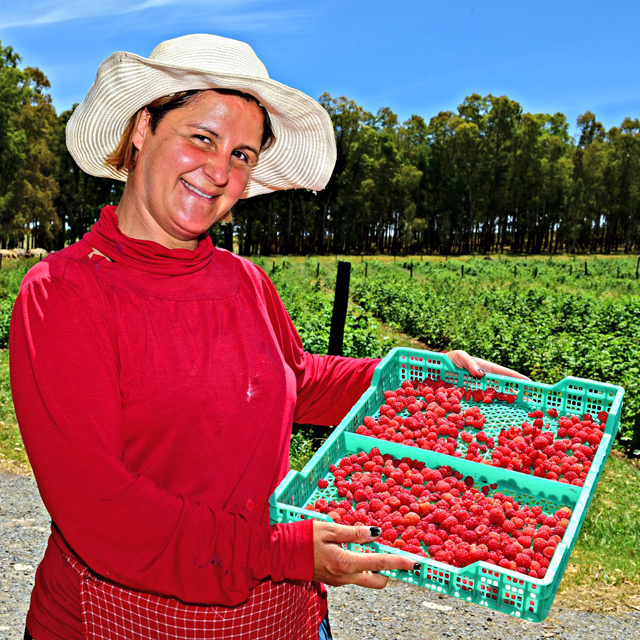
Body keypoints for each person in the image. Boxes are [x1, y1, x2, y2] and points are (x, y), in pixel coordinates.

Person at [10, 34, 527, 640]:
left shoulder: (244, 281)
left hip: (279, 616)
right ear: (142, 129)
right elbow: (102, 511)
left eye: (243, 155)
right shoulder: (65, 292)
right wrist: (284, 552)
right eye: (202, 138)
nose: (220, 171)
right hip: (120, 619)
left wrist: (421, 375)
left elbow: (293, 379)